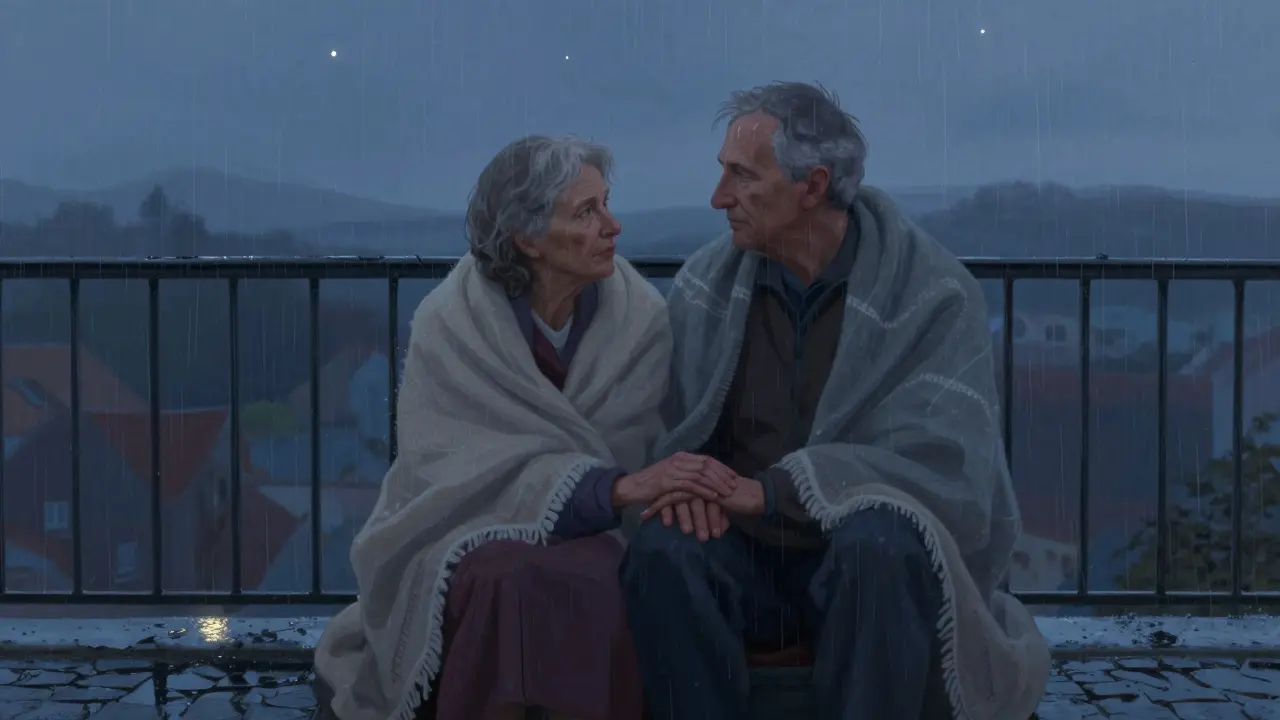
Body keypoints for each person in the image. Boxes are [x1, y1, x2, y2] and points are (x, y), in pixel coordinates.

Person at [620, 82, 1052, 720]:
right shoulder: (706, 288)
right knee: (663, 548)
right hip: (745, 551)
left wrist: (774, 492)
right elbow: (681, 426)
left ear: (813, 186)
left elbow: (943, 469)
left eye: (742, 177)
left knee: (880, 542)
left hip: (861, 559)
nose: (719, 199)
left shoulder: (931, 295)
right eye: (722, 174)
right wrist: (690, 484)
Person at [314, 135, 738, 720]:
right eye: (587, 213)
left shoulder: (639, 320)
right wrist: (608, 489)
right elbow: (450, 471)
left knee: (590, 578)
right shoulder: (450, 325)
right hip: (462, 524)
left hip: (602, 533)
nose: (613, 226)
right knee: (503, 580)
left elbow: (647, 446)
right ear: (527, 238)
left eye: (607, 204)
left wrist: (619, 493)